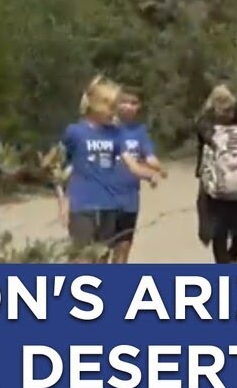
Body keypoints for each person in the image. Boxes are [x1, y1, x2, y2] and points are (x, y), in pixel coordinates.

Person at [55, 76, 161, 263]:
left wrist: (151, 174)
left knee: (102, 258)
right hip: (82, 206)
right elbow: (58, 167)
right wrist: (63, 201)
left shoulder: (116, 133)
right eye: (111, 107)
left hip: (109, 206)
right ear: (95, 105)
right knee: (81, 258)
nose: (114, 113)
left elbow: (133, 166)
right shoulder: (74, 132)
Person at [194, 84, 237, 263]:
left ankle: (228, 261)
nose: (226, 112)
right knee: (220, 231)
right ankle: (226, 264)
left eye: (229, 108)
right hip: (217, 183)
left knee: (236, 231)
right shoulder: (205, 122)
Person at [111, 87, 167, 263]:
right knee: (102, 250)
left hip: (129, 198)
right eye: (124, 101)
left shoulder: (139, 131)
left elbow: (149, 156)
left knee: (124, 247)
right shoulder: (106, 128)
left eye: (133, 103)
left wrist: (159, 169)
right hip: (105, 196)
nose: (128, 106)